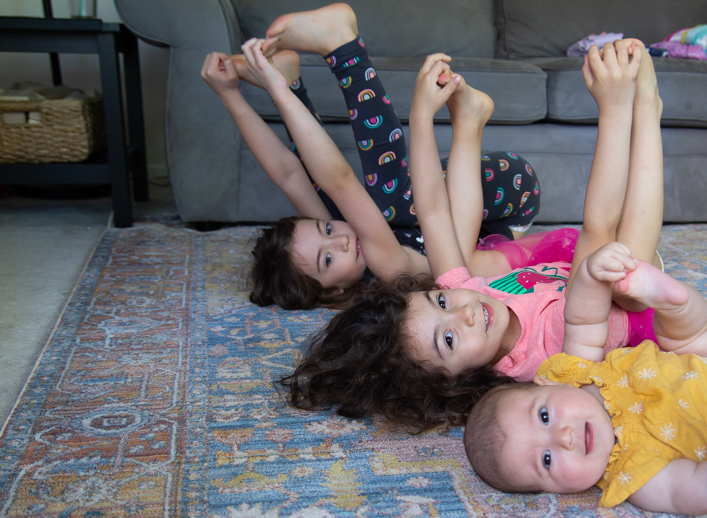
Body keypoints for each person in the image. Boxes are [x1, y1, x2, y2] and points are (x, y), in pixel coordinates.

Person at [282, 39, 665, 430]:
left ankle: (469, 120)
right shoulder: (545, 351)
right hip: (642, 306)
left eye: (441, 300)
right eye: (448, 340)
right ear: (453, 384)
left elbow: (433, 211)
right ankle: (648, 111)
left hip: (580, 266)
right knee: (621, 280)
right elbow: (597, 229)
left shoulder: (469, 300)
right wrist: (615, 111)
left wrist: (422, 114)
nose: (464, 313)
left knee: (468, 258)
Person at [201, 3, 573, 311]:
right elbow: (341, 182)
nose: (339, 240)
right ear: (334, 292)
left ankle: (291, 80)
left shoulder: (350, 245)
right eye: (327, 260)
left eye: (326, 231)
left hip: (480, 192)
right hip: (513, 195)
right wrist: (280, 88)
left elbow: (289, 175)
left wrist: (231, 96)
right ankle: (343, 47)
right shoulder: (387, 271)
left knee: (332, 201)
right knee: (383, 204)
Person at [463, 242, 707, 515]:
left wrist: (592, 275)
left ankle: (674, 301)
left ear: (549, 384)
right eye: (546, 460)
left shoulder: (578, 374)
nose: (563, 437)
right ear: (555, 492)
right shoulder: (637, 477)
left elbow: (583, 320)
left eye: (545, 416)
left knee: (687, 338)